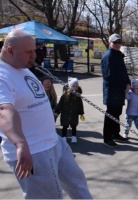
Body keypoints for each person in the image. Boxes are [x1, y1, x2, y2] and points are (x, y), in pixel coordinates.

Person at [0, 30, 92, 199]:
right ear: (10, 50)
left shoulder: (22, 67)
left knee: (78, 185)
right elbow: (4, 111)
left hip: (53, 141)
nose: (34, 56)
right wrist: (20, 144)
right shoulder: (2, 75)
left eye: (34, 50)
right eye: (28, 52)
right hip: (33, 150)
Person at [101, 33, 131, 147]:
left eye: (119, 42)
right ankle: (107, 138)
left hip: (120, 91)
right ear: (110, 43)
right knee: (111, 114)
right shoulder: (108, 56)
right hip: (112, 91)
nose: (118, 44)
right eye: (115, 42)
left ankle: (115, 133)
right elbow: (109, 77)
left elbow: (124, 72)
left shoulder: (118, 55)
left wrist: (128, 82)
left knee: (117, 113)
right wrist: (124, 86)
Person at [54, 77, 84, 143]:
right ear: (70, 86)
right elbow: (60, 104)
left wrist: (81, 113)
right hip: (65, 114)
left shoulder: (78, 96)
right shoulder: (64, 96)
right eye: (73, 86)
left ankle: (74, 136)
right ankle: (64, 137)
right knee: (65, 126)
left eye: (76, 86)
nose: (75, 88)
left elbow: (80, 105)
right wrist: (57, 111)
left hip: (74, 114)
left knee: (74, 126)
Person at [123, 79, 138, 143]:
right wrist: (126, 91)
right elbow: (127, 97)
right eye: (136, 88)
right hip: (130, 114)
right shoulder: (130, 94)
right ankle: (125, 133)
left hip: (137, 114)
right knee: (128, 125)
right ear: (133, 88)